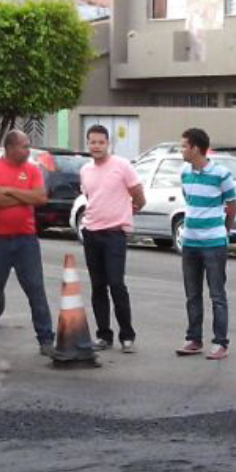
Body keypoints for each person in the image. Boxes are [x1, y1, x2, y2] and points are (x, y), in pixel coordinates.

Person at [0, 129, 54, 356]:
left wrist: (10, 190)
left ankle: (46, 339)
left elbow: (40, 198)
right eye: (24, 146)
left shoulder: (32, 169)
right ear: (10, 147)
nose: (28, 150)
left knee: (35, 289)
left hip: (26, 240)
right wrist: (23, 196)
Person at [79, 123, 145, 351]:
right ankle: (104, 335)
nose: (96, 146)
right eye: (92, 142)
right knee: (98, 286)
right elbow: (89, 196)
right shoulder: (85, 170)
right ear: (87, 144)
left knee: (116, 284)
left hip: (115, 234)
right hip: (91, 232)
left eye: (101, 142)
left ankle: (127, 335)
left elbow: (138, 193)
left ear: (108, 144)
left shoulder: (122, 166)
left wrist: (135, 206)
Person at [176, 127, 236, 361]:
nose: (181, 150)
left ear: (196, 149)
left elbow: (232, 206)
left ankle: (220, 342)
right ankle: (194, 338)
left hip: (214, 243)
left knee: (217, 294)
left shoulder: (221, 174)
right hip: (190, 242)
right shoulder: (184, 172)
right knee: (192, 293)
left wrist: (223, 232)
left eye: (184, 146)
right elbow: (189, 199)